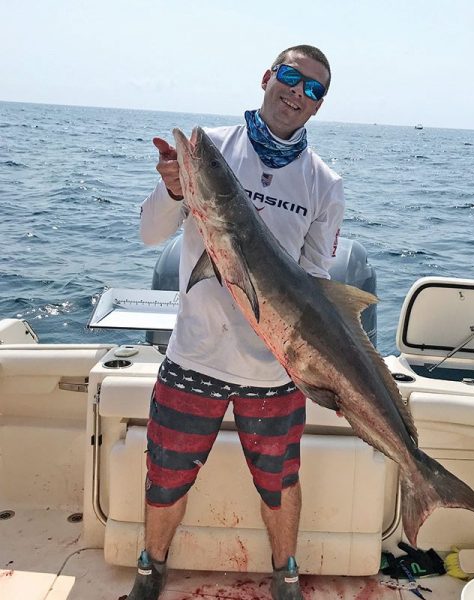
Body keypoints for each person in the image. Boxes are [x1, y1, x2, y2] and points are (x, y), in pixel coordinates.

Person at [127, 45, 345, 600]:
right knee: (167, 472)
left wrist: (299, 351)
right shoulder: (212, 150)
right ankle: (151, 568)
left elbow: (315, 278)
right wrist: (176, 188)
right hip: (194, 355)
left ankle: (285, 574)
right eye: (291, 77)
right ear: (268, 76)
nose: (298, 93)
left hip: (273, 368)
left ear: (319, 106)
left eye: (313, 88)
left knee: (280, 482)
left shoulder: (324, 183)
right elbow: (151, 235)